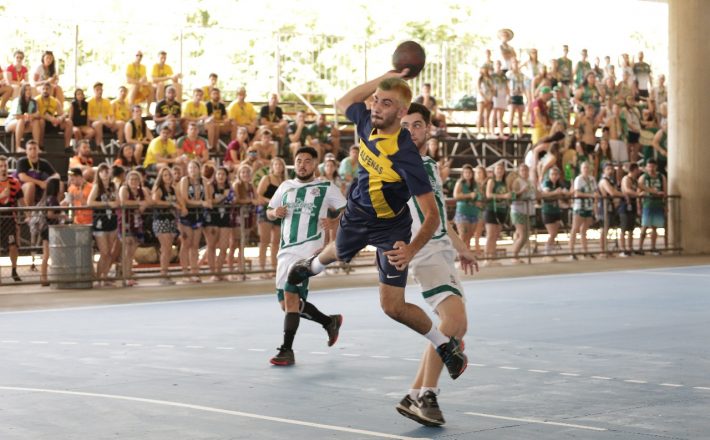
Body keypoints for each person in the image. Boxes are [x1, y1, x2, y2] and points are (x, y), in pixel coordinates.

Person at [287, 71, 467, 381]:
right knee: (339, 253)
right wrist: (387, 77)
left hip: (391, 229)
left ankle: (446, 348)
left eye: (387, 103)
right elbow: (344, 100)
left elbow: (433, 215)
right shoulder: (365, 122)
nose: (376, 107)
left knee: (392, 307)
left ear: (400, 112)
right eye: (375, 101)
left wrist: (411, 249)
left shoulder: (407, 157)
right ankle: (311, 266)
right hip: (357, 215)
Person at [395, 104, 478, 426]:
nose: (412, 130)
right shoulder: (397, 165)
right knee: (453, 322)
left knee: (458, 328)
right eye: (405, 125)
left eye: (417, 125)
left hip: (442, 252)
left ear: (427, 129)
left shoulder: (428, 165)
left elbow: (439, 215)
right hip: (424, 253)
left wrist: (462, 248)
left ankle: (414, 394)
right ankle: (426, 394)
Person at [266, 146, 347, 366]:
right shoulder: (285, 186)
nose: (303, 164)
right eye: (299, 160)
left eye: (308, 161)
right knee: (287, 304)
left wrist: (334, 222)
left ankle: (287, 350)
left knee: (291, 300)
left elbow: (348, 209)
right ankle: (329, 321)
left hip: (308, 251)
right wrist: (275, 213)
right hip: (285, 251)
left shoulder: (325, 186)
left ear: (315, 164)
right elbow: (269, 211)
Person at [87, 163, 119, 286]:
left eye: (107, 171)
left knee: (110, 252)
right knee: (104, 251)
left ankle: (104, 276)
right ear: (99, 174)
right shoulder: (97, 187)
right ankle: (98, 277)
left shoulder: (112, 186)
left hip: (112, 220)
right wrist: (106, 204)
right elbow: (90, 202)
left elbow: (117, 201)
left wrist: (113, 204)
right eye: (102, 171)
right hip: (100, 221)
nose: (105, 173)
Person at [256, 157, 286, 278]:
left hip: (279, 213)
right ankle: (261, 269)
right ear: (272, 167)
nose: (278, 167)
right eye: (276, 165)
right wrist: (272, 203)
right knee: (264, 241)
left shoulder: (284, 181)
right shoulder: (266, 178)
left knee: (276, 242)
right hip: (266, 211)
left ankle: (274, 268)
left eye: (280, 165)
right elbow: (259, 196)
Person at [178, 160, 207, 283]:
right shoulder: (185, 180)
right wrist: (200, 203)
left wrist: (204, 202)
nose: (192, 170)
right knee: (186, 244)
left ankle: (194, 271)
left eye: (195, 167)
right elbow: (185, 199)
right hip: (187, 215)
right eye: (190, 168)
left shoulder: (203, 181)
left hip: (198, 214)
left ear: (199, 169)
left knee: (195, 245)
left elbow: (207, 197)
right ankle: (185, 272)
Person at [118, 170, 149, 286]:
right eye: (131, 179)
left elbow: (149, 201)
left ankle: (129, 273)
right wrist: (139, 203)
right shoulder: (124, 189)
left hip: (137, 223)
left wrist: (143, 203)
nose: (134, 181)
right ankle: (125, 276)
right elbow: (123, 202)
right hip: (126, 222)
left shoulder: (142, 191)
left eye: (136, 179)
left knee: (132, 252)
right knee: (127, 250)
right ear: (127, 180)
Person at [204, 167, 233, 281]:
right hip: (212, 218)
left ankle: (219, 271)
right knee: (211, 246)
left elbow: (233, 200)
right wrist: (224, 196)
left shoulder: (229, 187)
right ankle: (213, 273)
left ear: (226, 177)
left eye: (223, 175)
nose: (221, 176)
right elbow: (210, 201)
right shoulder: (210, 186)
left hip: (225, 218)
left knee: (224, 246)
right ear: (215, 176)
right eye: (219, 174)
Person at [151, 166, 179, 285]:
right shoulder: (159, 189)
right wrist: (170, 203)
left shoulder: (173, 189)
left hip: (171, 220)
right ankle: (163, 274)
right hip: (161, 220)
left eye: (169, 175)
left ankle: (166, 272)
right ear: (161, 178)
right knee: (166, 248)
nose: (168, 177)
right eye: (165, 175)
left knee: (168, 249)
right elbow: (155, 201)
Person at [229, 163, 257, 279]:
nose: (245, 174)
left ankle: (241, 270)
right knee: (234, 243)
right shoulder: (236, 185)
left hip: (248, 216)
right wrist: (249, 201)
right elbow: (236, 200)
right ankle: (230, 271)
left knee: (243, 244)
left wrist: (252, 201)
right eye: (243, 172)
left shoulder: (251, 186)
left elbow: (256, 199)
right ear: (239, 174)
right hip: (237, 216)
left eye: (247, 172)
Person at [0, 155, 24, 282]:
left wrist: (28, 214)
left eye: (5, 166)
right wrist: (1, 195)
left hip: (9, 218)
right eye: (0, 166)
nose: (3, 168)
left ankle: (14, 270)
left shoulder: (14, 182)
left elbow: (21, 201)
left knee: (13, 246)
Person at [16, 140, 60, 207]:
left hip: (39, 188)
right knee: (31, 185)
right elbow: (22, 177)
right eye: (30, 149)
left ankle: (54, 209)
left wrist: (48, 181)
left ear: (38, 150)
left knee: (60, 183)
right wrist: (40, 183)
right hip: (22, 189)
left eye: (35, 148)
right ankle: (29, 214)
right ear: (26, 151)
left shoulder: (43, 162)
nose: (33, 150)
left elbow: (57, 175)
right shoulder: (22, 161)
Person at [569, 161, 598, 260]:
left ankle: (585, 250)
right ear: (581, 169)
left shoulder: (592, 179)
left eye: (587, 168)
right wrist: (590, 195)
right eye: (584, 168)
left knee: (584, 229)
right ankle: (571, 251)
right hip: (579, 207)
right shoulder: (579, 179)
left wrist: (595, 205)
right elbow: (577, 193)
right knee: (575, 228)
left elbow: (595, 192)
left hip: (588, 206)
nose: (586, 169)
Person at [638, 159, 666, 256]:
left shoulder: (661, 177)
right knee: (644, 226)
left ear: (656, 167)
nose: (651, 168)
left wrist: (665, 204)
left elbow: (664, 190)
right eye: (649, 166)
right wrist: (639, 206)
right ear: (646, 167)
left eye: (653, 166)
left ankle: (653, 247)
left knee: (655, 227)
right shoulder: (643, 178)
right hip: (647, 204)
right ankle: (640, 247)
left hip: (658, 204)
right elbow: (639, 192)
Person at [510, 164, 537, 263]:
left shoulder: (530, 182)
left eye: (526, 170)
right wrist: (522, 191)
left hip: (528, 210)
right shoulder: (517, 182)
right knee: (523, 235)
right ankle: (514, 255)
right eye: (522, 170)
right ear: (519, 171)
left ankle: (515, 253)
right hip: (518, 210)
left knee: (524, 234)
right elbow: (513, 195)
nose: (524, 172)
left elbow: (536, 193)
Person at [540, 166, 567, 262]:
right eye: (552, 174)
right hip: (547, 211)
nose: (554, 176)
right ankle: (546, 252)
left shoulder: (559, 184)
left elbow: (564, 193)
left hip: (556, 210)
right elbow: (545, 194)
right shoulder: (547, 183)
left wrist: (563, 193)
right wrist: (556, 192)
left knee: (555, 233)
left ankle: (550, 253)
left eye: (556, 174)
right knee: (552, 233)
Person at [36, 82, 72, 150]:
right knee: (41, 121)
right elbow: (36, 114)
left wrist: (60, 118)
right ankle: (41, 146)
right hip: (42, 123)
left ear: (50, 90)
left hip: (53, 123)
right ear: (41, 90)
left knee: (68, 122)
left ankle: (67, 147)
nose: (45, 91)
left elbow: (63, 114)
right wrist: (49, 118)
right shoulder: (36, 100)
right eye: (43, 89)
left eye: (47, 89)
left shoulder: (55, 101)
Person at [5, 83, 40, 152]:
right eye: (26, 90)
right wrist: (26, 116)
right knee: (21, 120)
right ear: (23, 91)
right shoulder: (17, 100)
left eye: (30, 90)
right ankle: (18, 147)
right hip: (12, 123)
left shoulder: (33, 102)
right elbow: (16, 116)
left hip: (26, 123)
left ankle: (37, 147)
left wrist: (30, 116)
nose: (28, 91)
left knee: (36, 122)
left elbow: (37, 115)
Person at [453, 164, 480, 253]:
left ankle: (466, 256)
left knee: (469, 237)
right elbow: (456, 196)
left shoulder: (476, 184)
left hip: (474, 212)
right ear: (463, 174)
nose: (468, 174)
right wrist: (469, 195)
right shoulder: (460, 183)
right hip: (462, 213)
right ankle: (460, 256)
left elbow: (479, 196)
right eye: (466, 172)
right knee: (463, 236)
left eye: (469, 172)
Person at [88, 82, 124, 147]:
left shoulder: (107, 101)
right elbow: (89, 117)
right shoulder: (89, 102)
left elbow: (111, 115)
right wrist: (101, 120)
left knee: (121, 123)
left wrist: (111, 122)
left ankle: (120, 146)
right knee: (97, 124)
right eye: (97, 90)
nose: (100, 91)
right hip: (95, 124)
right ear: (94, 91)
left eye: (101, 90)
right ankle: (98, 147)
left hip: (106, 123)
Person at [618, 163, 643, 257]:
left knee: (631, 229)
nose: (639, 171)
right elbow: (627, 190)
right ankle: (622, 249)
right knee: (624, 228)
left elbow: (643, 187)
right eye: (637, 169)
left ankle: (629, 247)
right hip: (625, 205)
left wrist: (654, 192)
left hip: (632, 205)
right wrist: (638, 194)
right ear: (634, 170)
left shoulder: (635, 180)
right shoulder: (626, 179)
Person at [507, 59, 526, 136]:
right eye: (514, 63)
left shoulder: (521, 75)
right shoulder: (509, 74)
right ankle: (510, 132)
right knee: (511, 115)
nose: (516, 65)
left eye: (517, 63)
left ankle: (521, 132)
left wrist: (523, 92)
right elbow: (506, 85)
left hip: (520, 95)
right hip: (512, 95)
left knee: (520, 116)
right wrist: (509, 94)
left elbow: (523, 85)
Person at [476, 65, 494, 136]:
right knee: (480, 114)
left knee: (487, 116)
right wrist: (485, 98)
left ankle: (487, 131)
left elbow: (493, 89)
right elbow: (479, 89)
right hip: (481, 99)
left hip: (489, 99)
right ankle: (479, 131)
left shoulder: (490, 79)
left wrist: (490, 98)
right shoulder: (480, 78)